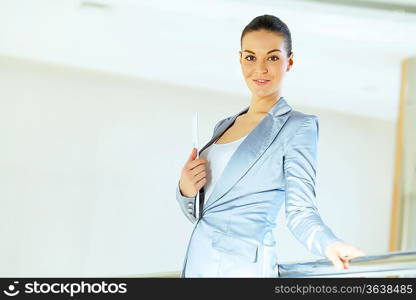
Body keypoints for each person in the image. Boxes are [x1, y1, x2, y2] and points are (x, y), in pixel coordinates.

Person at [176, 14, 365, 278]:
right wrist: (185, 189)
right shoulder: (223, 126)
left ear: (289, 61)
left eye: (273, 57)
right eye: (251, 57)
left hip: (243, 268)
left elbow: (300, 211)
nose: (260, 68)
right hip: (198, 262)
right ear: (240, 58)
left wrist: (329, 244)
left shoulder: (298, 127)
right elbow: (208, 213)